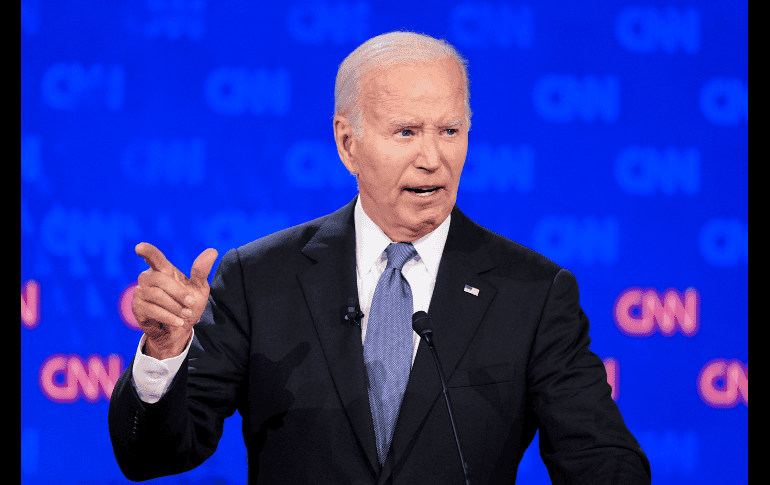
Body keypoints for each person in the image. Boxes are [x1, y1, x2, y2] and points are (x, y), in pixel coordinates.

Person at [108, 31, 651, 484]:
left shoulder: (531, 292)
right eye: (407, 132)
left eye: (450, 131)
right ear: (348, 144)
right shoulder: (259, 278)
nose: (432, 158)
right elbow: (152, 458)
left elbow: (601, 460)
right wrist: (164, 350)